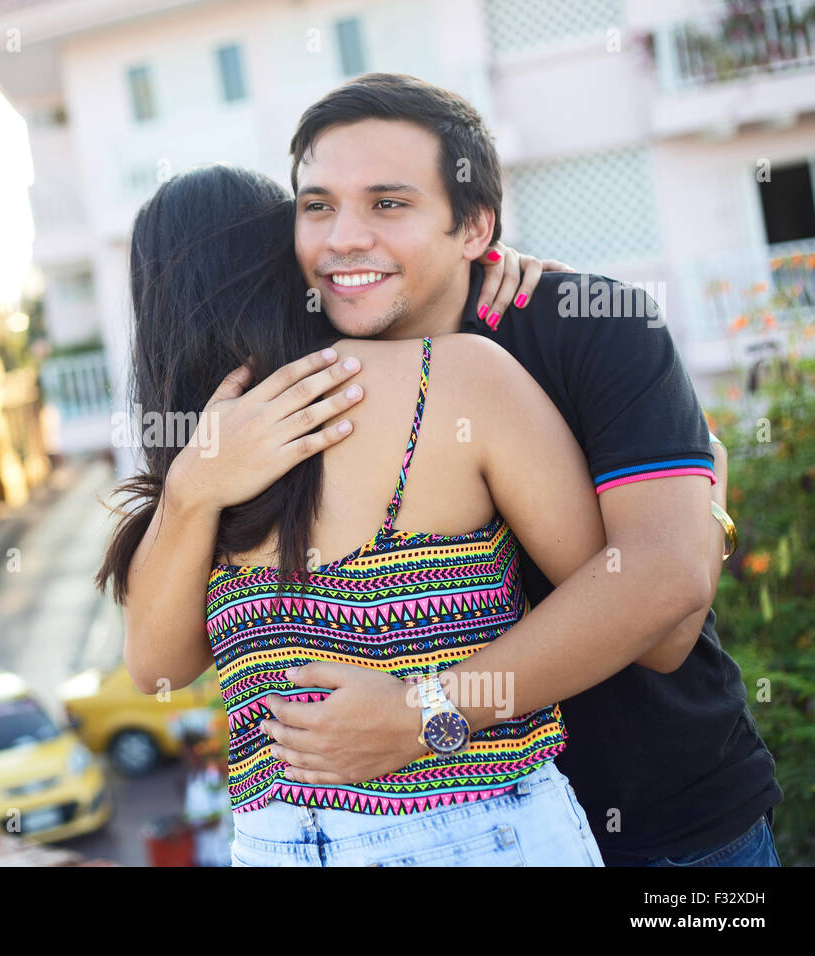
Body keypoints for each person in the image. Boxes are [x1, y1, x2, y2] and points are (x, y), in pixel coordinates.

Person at [109, 73, 782, 868]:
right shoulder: (264, 422)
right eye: (317, 206)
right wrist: (191, 486)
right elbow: (157, 667)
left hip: (671, 820)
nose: (342, 238)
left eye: (388, 204)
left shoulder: (584, 327)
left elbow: (664, 598)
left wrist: (421, 713)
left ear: (473, 229)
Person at [98, 162, 611, 865]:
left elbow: (621, 605)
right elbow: (156, 668)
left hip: (315, 839)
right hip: (475, 830)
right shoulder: (451, 375)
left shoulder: (446, 373)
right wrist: (193, 485)